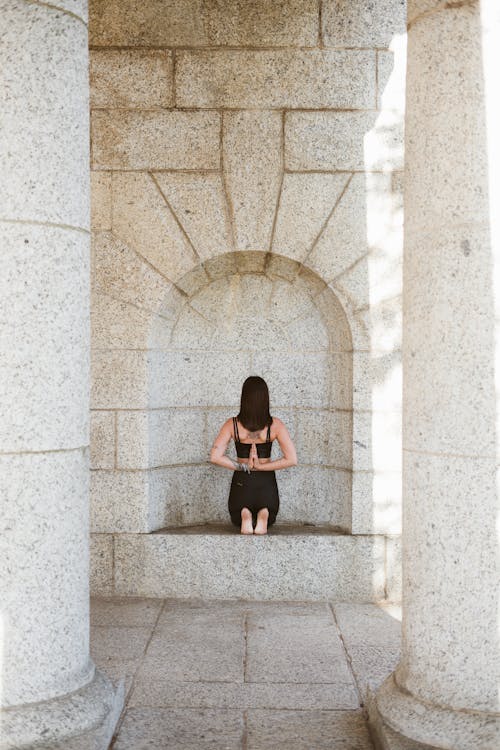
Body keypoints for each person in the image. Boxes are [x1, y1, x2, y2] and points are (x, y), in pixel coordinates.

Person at [210, 376, 297, 535]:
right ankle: (264, 514)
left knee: (239, 511)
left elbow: (215, 456)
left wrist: (243, 466)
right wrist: (261, 466)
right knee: (268, 511)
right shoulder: (275, 425)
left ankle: (245, 514)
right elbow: (292, 459)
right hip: (266, 484)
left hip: (242, 482)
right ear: (265, 399)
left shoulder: (232, 424)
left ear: (244, 398)